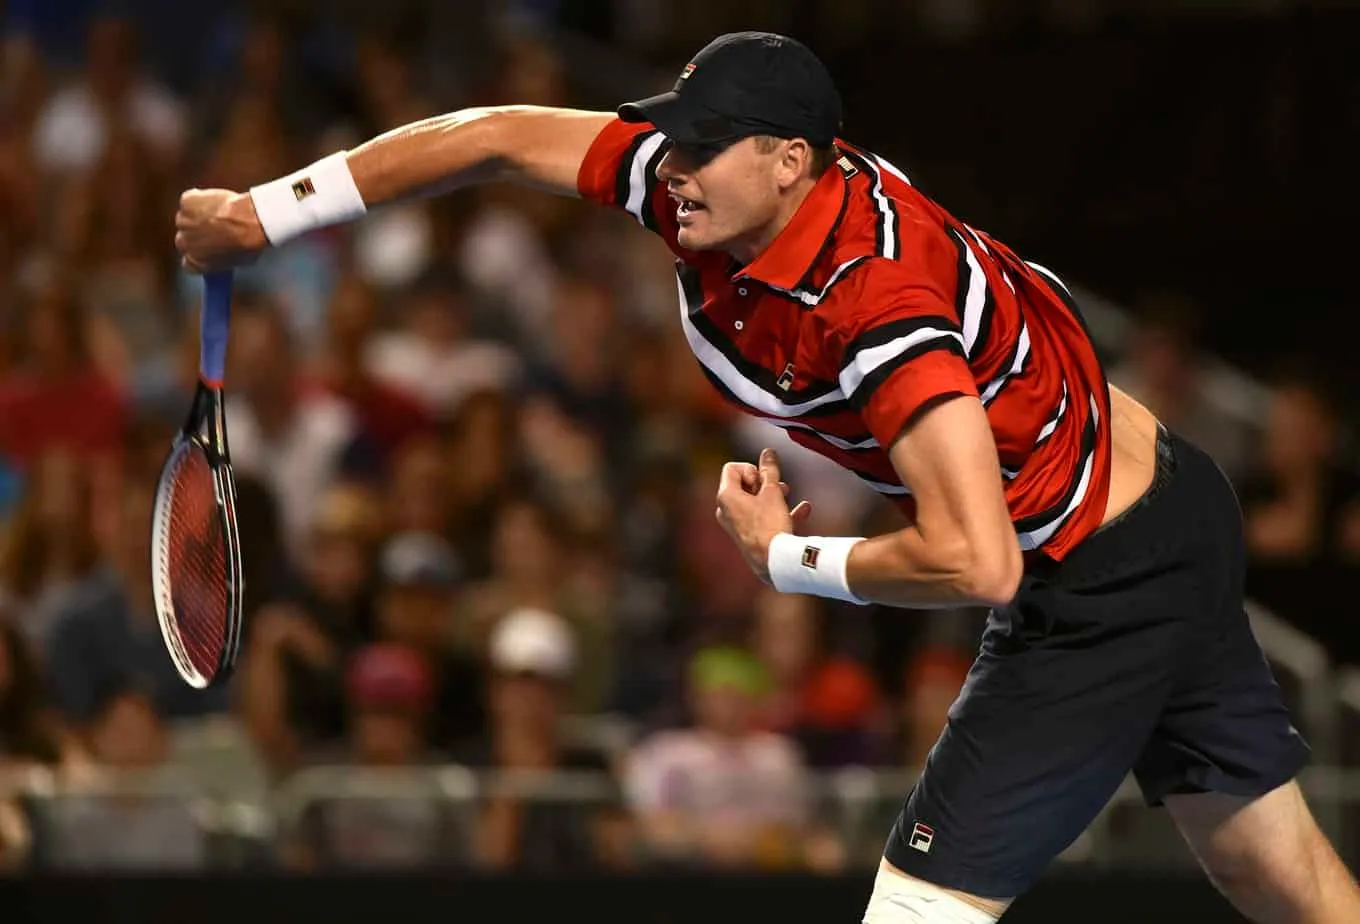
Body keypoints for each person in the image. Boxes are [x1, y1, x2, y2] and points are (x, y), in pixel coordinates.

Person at [172, 30, 1360, 924]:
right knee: (1271, 869)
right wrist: (264, 216)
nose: (667, 166)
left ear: (790, 162)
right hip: (1164, 500)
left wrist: (784, 560)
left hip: (1092, 571)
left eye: (700, 147)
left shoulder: (874, 309)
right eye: (671, 139)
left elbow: (978, 557)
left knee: (917, 909)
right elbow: (488, 136)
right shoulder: (698, 192)